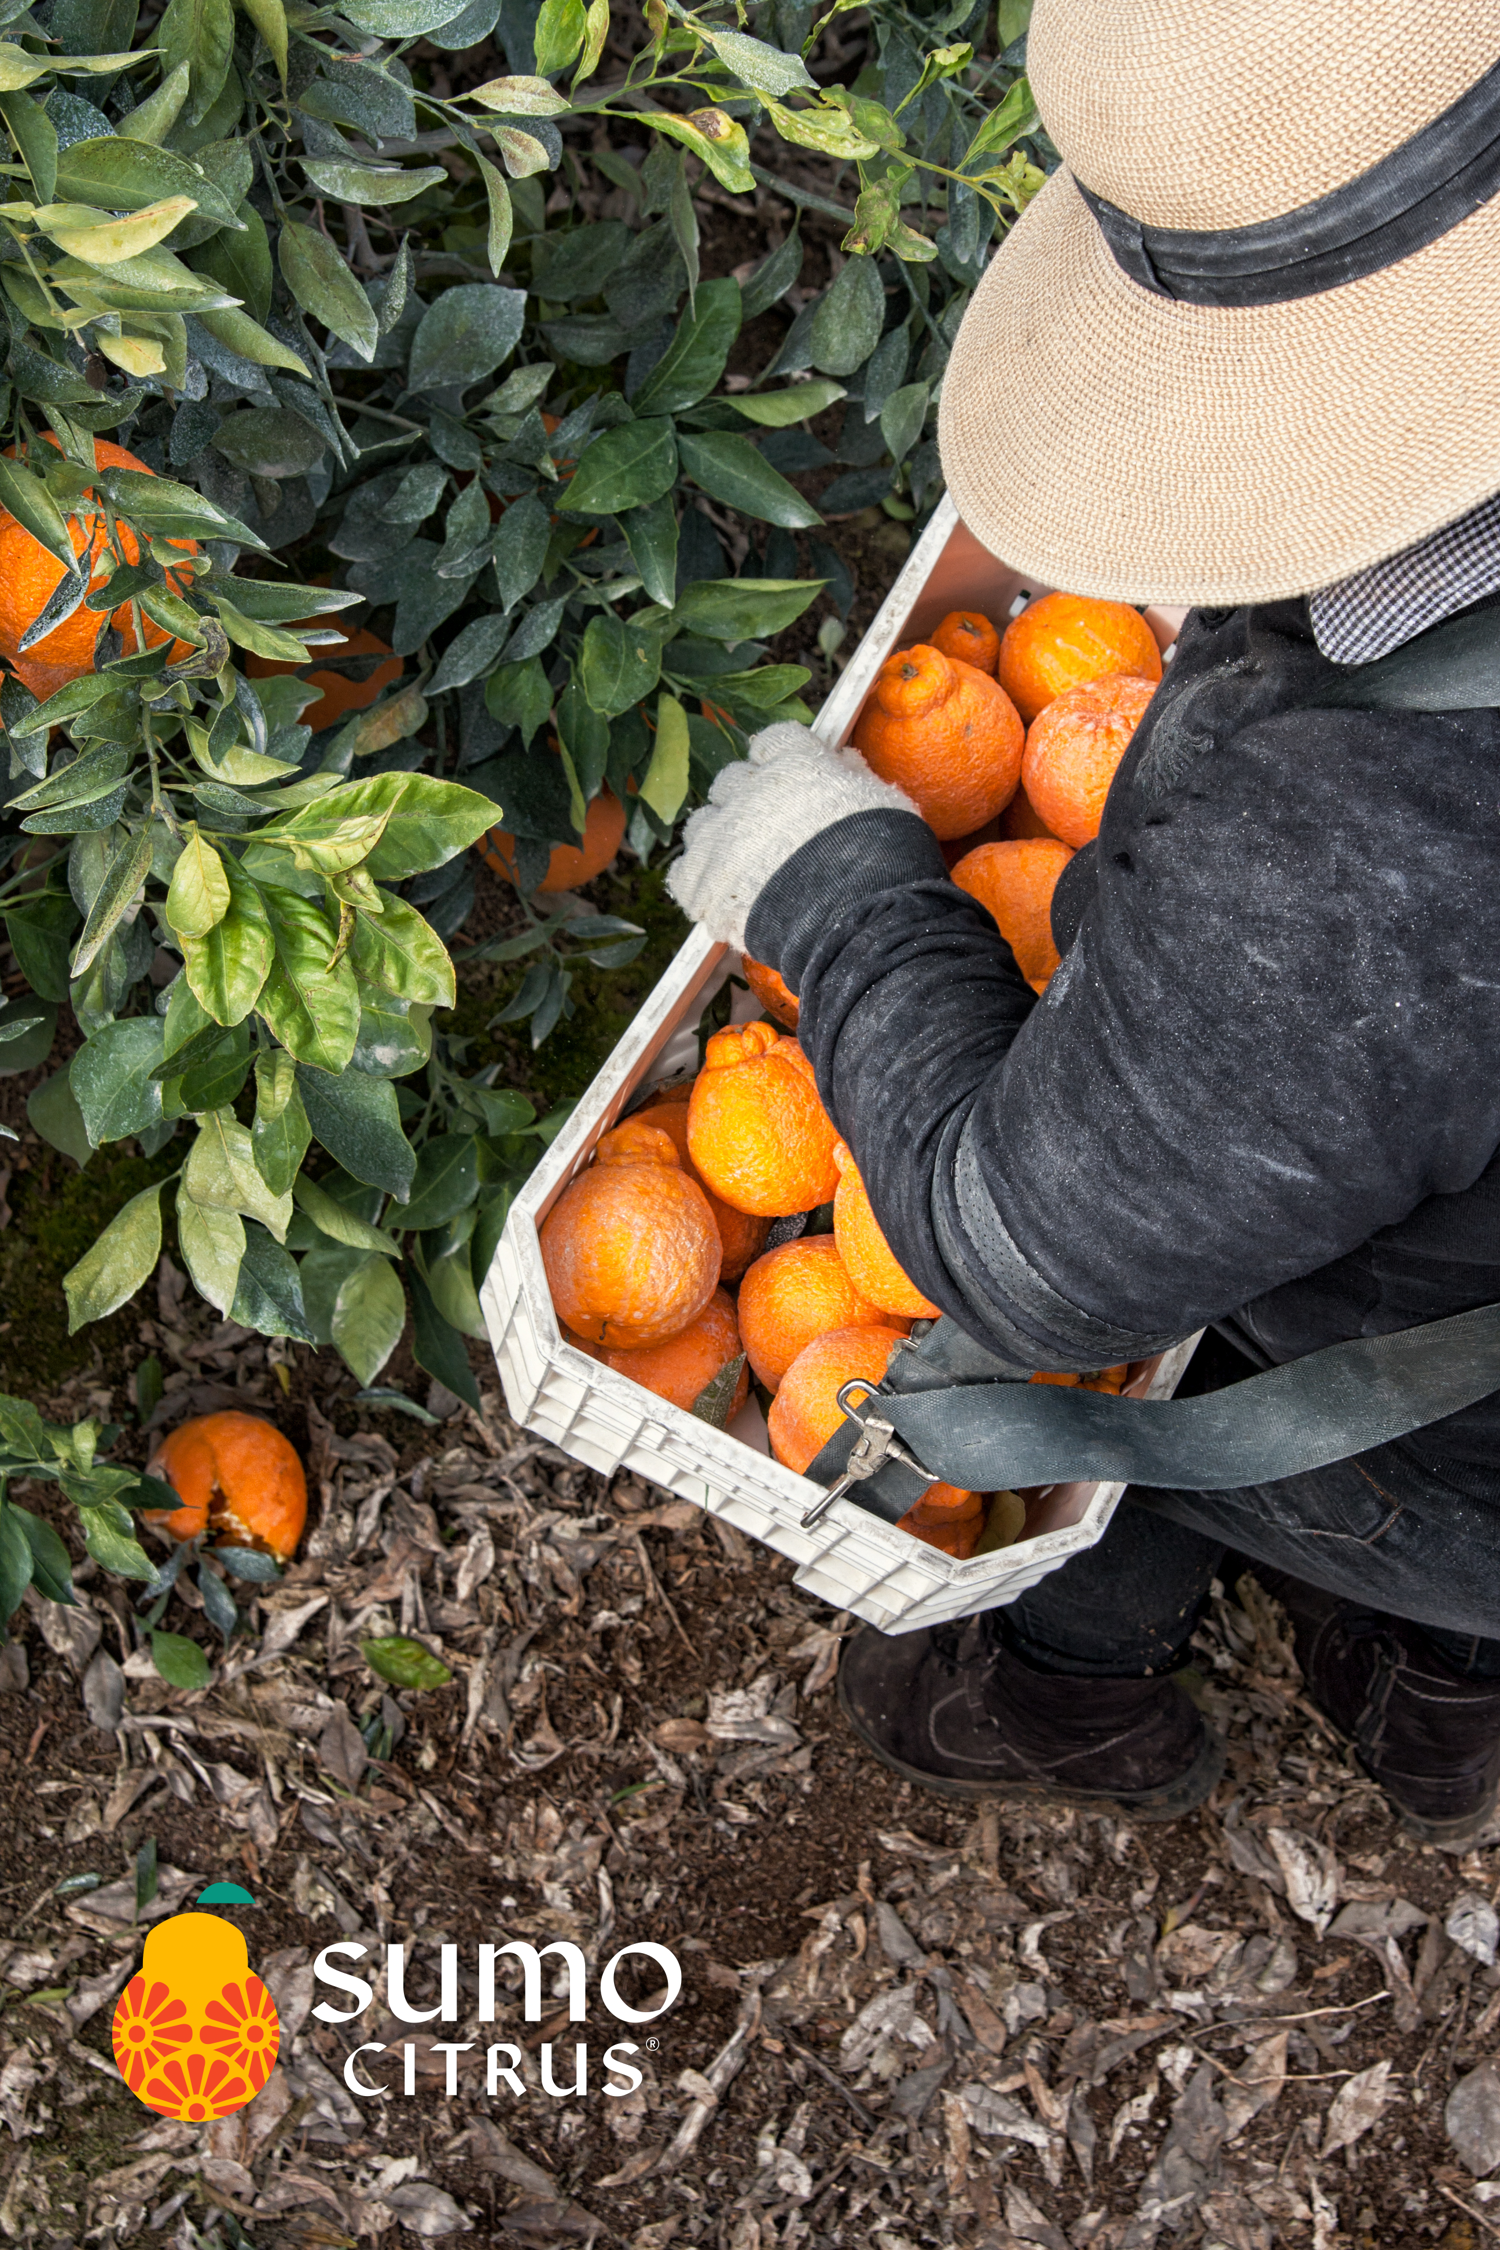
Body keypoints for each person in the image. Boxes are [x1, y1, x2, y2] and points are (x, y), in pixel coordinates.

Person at [666, 0, 1500, 1848]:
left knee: (1128, 1422)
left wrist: (842, 886)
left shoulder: (1360, 858)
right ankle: (1442, 1708)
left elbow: (1028, 1253)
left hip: (1450, 1424)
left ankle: (1051, 1693)